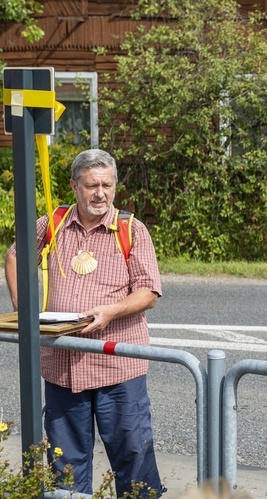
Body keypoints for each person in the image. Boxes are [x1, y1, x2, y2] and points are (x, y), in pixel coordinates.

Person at [4, 149, 164, 497]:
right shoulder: (53, 223)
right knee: (66, 463)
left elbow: (149, 291)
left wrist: (111, 311)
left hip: (117, 369)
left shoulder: (131, 229)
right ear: (75, 186)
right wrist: (24, 309)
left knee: (133, 457)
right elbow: (15, 257)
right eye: (92, 185)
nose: (100, 194)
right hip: (63, 367)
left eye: (107, 185)